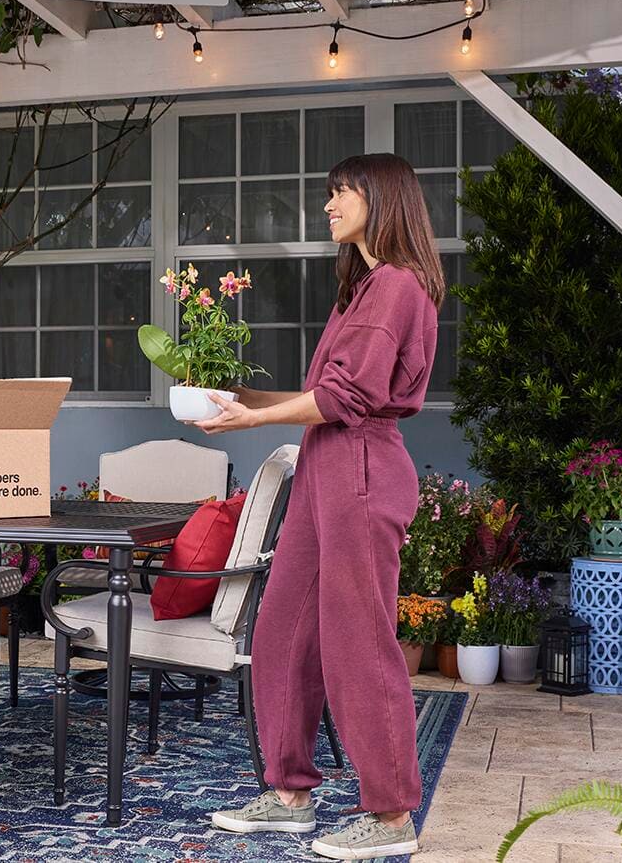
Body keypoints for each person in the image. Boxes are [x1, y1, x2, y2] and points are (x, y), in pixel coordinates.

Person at [200, 154, 442, 860]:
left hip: (361, 470)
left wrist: (247, 423)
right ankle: (289, 795)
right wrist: (241, 403)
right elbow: (324, 395)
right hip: (324, 467)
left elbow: (348, 400)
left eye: (340, 193)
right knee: (282, 629)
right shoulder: (360, 291)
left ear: (381, 198)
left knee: (356, 642)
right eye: (330, 194)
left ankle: (392, 817)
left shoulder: (397, 286)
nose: (329, 205)